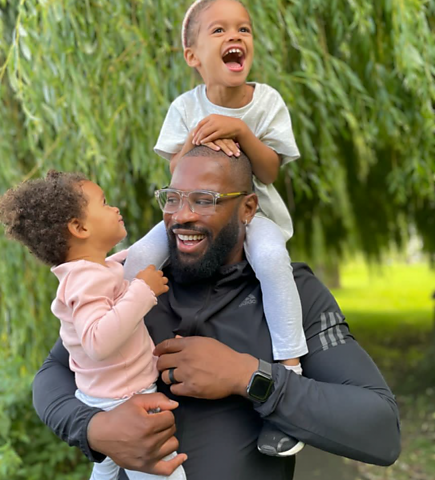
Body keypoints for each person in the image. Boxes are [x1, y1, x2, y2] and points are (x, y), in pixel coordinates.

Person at [33, 147, 401, 480]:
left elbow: (380, 430)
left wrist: (249, 377)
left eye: (205, 200)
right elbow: (54, 373)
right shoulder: (133, 285)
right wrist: (95, 428)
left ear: (248, 209)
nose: (182, 216)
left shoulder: (292, 293)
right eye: (173, 198)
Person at [123, 0, 306, 456]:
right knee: (139, 258)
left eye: (243, 29)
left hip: (251, 215)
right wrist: (200, 139)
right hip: (193, 212)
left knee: (269, 259)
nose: (235, 37)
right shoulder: (184, 106)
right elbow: (177, 173)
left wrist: (241, 134)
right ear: (193, 55)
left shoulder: (266, 102)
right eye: (219, 30)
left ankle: (291, 368)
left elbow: (270, 171)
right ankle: (126, 360)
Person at [0, 171, 187, 480]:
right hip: (123, 399)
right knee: (164, 473)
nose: (114, 208)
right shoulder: (85, 281)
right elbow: (97, 341)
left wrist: (173, 217)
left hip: (102, 395)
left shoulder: (95, 270)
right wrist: (144, 290)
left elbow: (138, 255)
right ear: (79, 227)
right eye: (104, 203)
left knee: (105, 468)